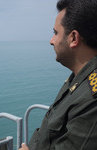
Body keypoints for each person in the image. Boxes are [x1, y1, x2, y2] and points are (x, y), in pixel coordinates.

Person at [19, 0, 97, 149]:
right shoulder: (77, 78)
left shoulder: (92, 99)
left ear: (73, 38)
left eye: (56, 33)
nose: (51, 41)